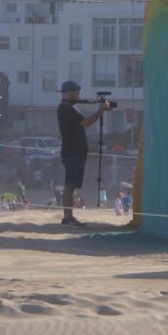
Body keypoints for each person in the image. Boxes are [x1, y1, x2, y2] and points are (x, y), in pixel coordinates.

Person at [56, 81, 109, 226]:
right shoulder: (65, 109)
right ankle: (68, 217)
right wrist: (101, 110)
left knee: (72, 185)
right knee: (70, 185)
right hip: (72, 152)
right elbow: (87, 122)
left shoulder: (69, 108)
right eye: (75, 94)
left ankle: (69, 216)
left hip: (75, 152)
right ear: (67, 93)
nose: (77, 96)